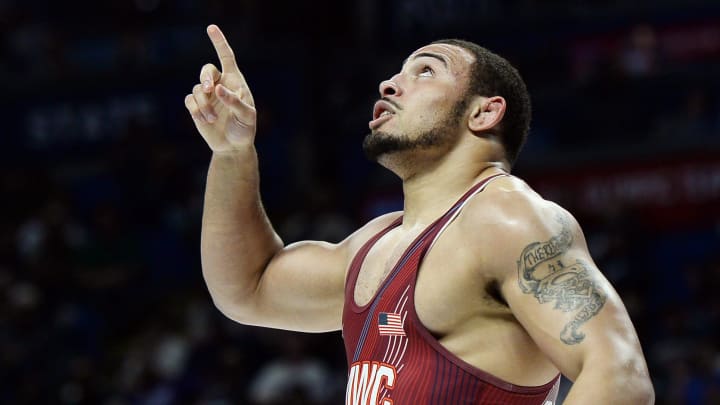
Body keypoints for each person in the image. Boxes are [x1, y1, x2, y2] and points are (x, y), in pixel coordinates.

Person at [184, 24, 654, 404]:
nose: (390, 83)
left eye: (426, 71)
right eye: (398, 72)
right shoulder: (378, 242)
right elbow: (248, 289)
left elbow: (619, 380)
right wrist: (232, 155)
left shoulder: (506, 218)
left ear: (484, 113)